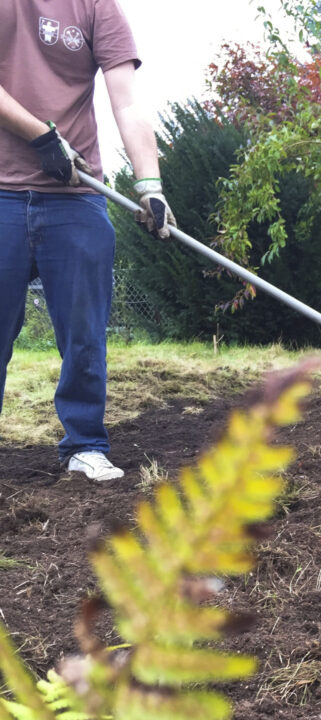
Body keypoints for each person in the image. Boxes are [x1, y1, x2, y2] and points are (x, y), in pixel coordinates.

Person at [0, 1, 175, 482]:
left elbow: (127, 100)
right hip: (1, 192)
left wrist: (149, 185)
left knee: (84, 336)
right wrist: (41, 137)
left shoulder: (97, 6)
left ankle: (84, 445)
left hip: (76, 198)